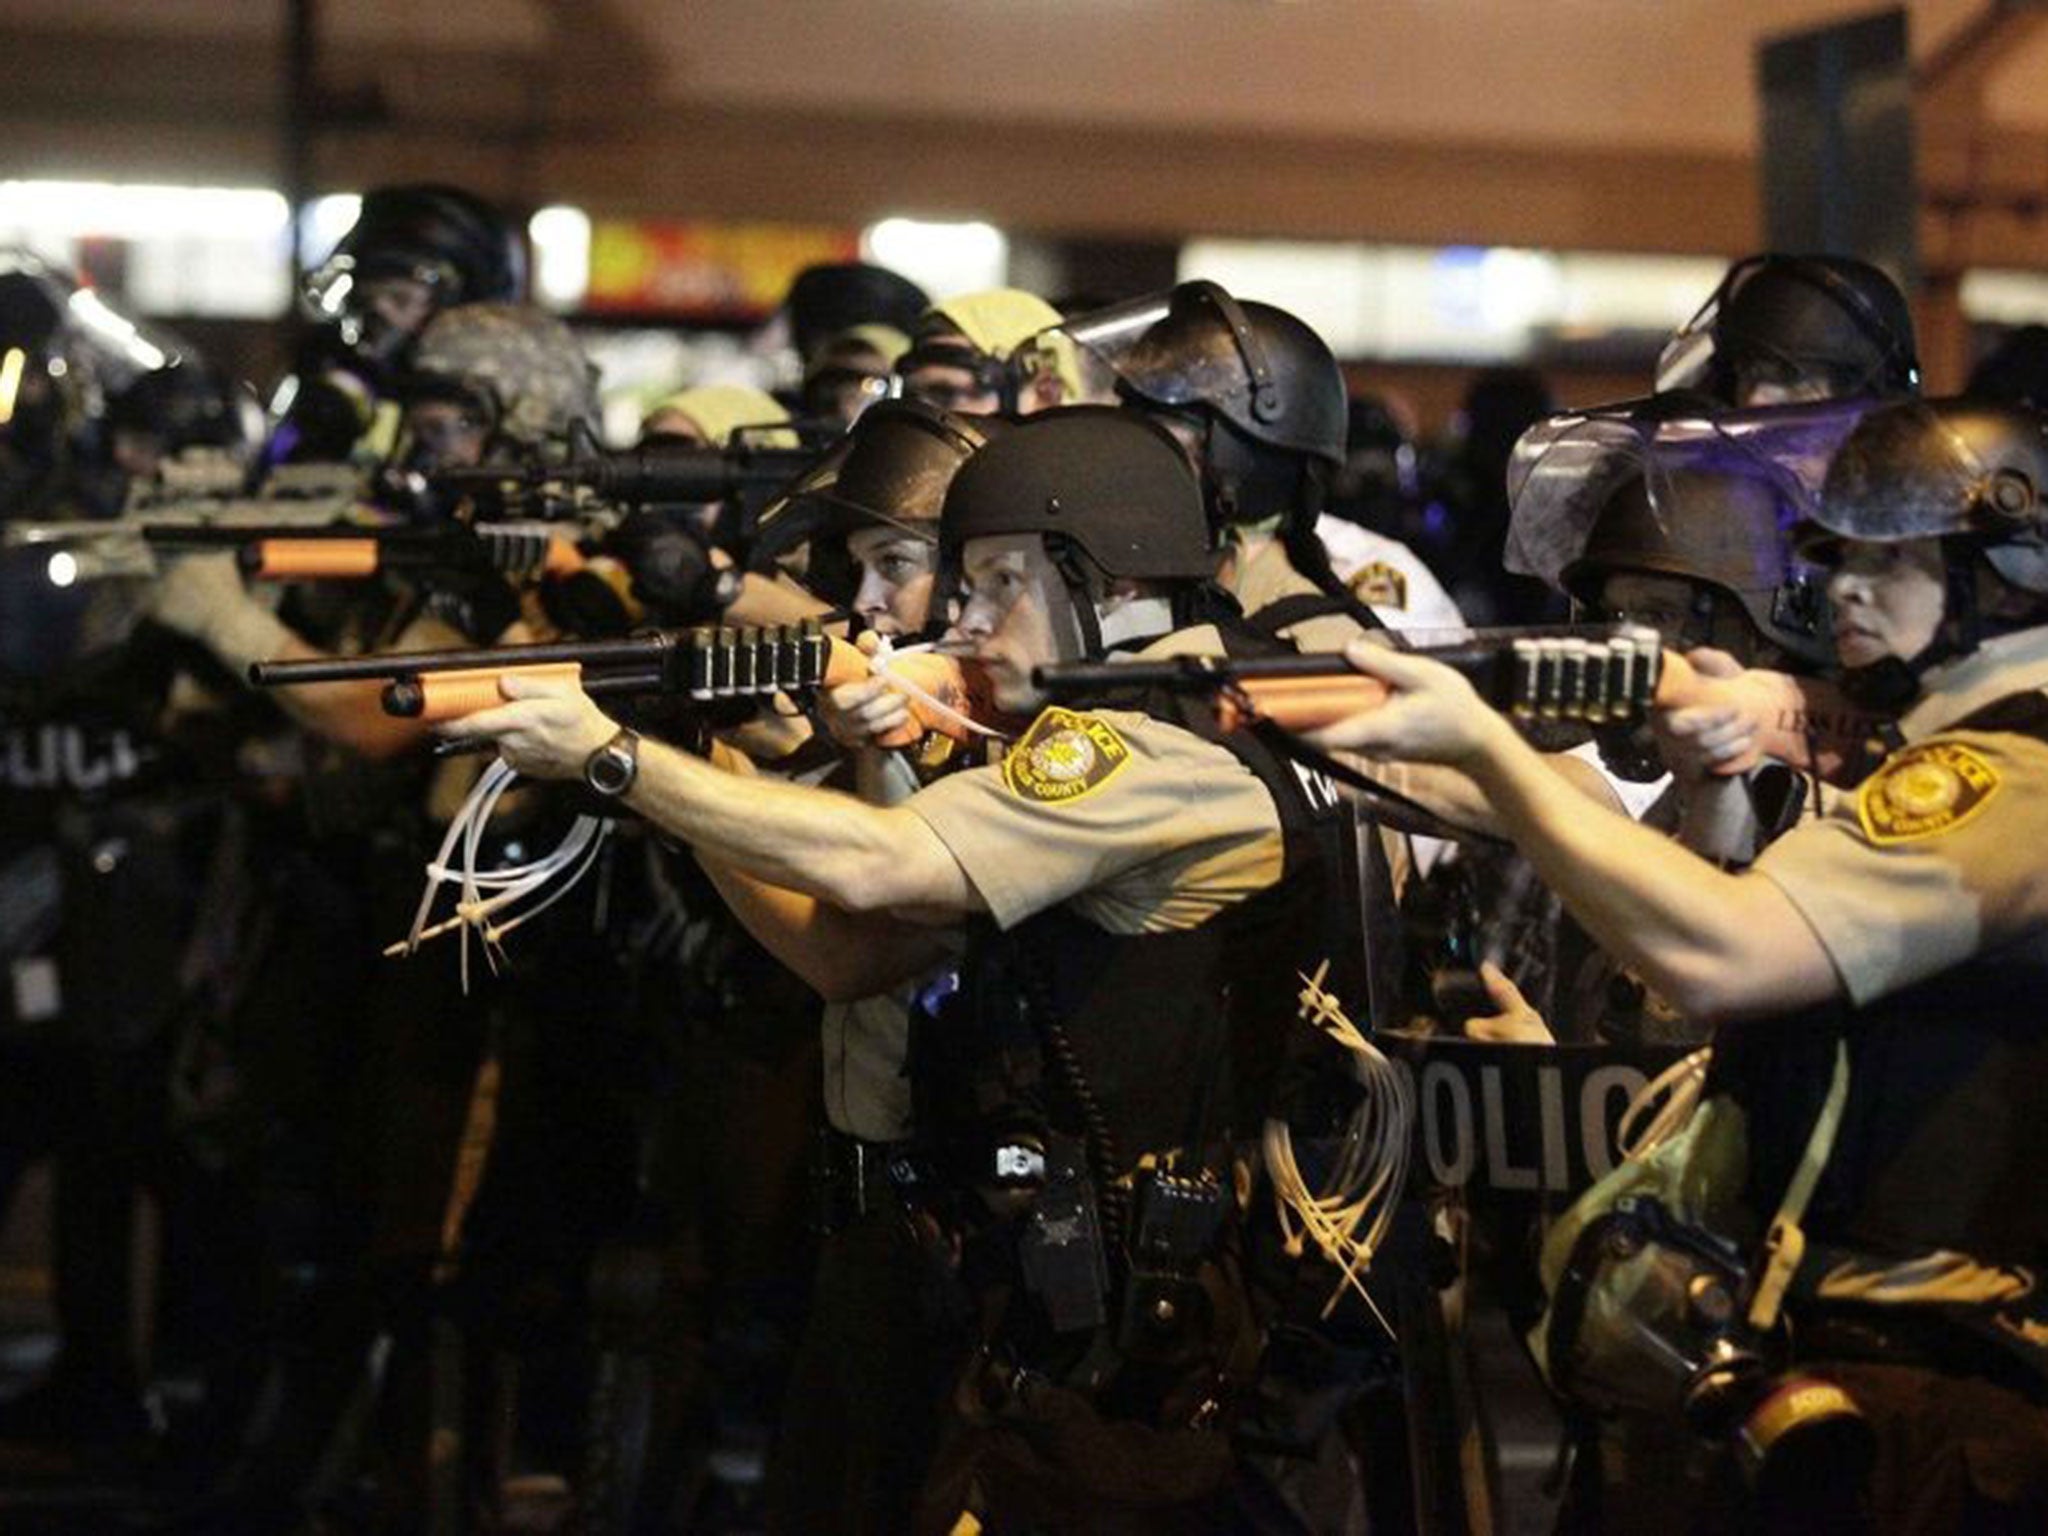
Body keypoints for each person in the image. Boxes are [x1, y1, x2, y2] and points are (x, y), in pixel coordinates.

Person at [440, 405, 1371, 1531]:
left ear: (1101, 574)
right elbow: (872, 924)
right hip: (1103, 1305)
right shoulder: (1226, 699)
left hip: (1129, 1333)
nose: (965, 623)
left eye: (995, 583)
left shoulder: (1138, 744)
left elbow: (880, 876)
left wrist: (618, 762)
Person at [1308, 395, 2048, 1533]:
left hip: (1942, 1399)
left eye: (1888, 562)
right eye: (1835, 557)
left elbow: (1721, 955)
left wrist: (1488, 752)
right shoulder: (1949, 754)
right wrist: (1712, 772)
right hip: (1871, 1380)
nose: (1841, 590)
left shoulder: (1998, 775)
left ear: (2002, 576)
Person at [269, 184, 525, 468]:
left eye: (401, 299)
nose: (378, 313)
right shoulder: (329, 369)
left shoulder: (497, 394)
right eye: (364, 298)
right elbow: (274, 467)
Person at [1656, 253, 1920, 408]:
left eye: (1793, 379)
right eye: (1747, 373)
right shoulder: (1710, 494)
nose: (1755, 400)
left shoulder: (1922, 499)